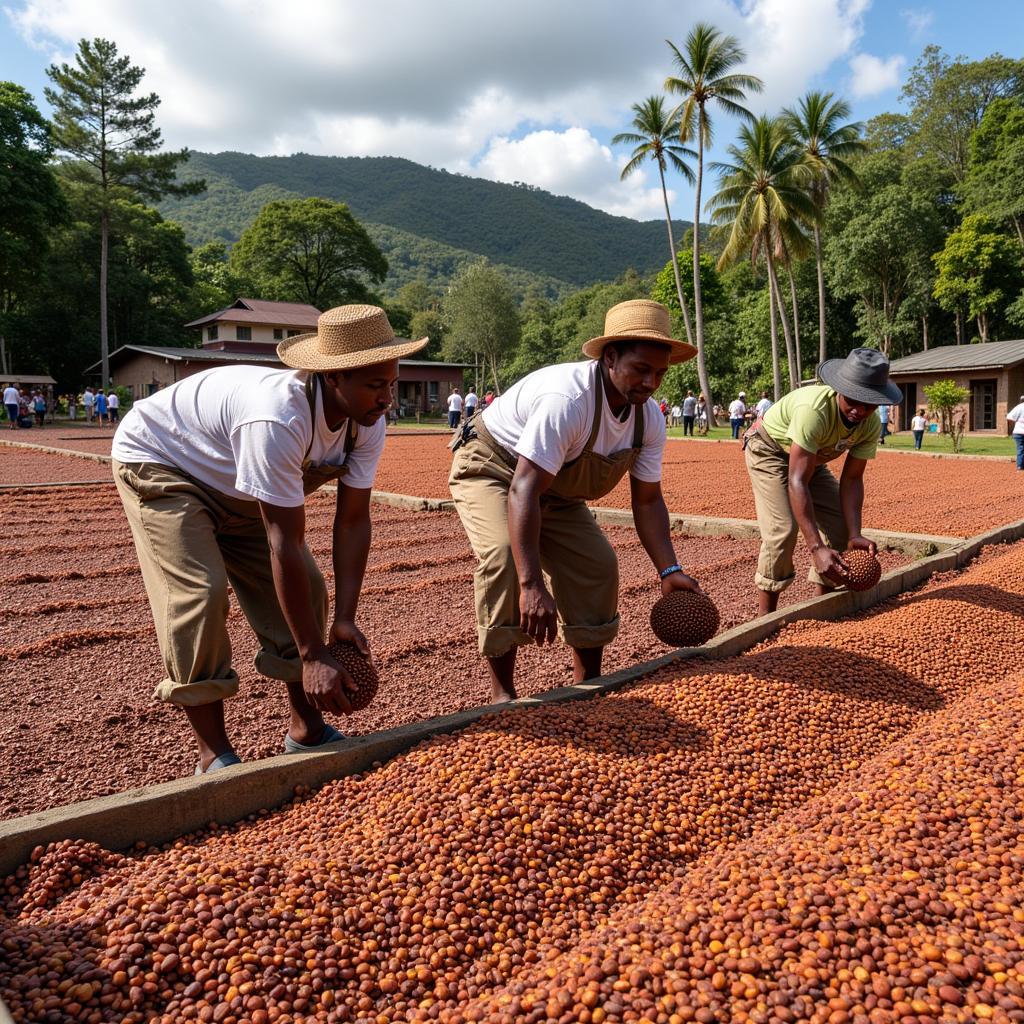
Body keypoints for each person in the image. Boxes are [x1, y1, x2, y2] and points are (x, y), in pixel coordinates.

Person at [111, 304, 428, 773]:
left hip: (237, 480)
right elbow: (285, 539)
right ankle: (213, 754)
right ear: (334, 378)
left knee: (311, 592)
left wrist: (342, 620)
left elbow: (353, 521)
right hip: (165, 466)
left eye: (392, 383)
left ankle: (307, 732)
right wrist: (312, 654)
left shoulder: (367, 423)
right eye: (375, 385)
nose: (387, 399)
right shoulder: (279, 419)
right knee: (199, 593)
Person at [449, 299, 704, 704]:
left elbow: (649, 500)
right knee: (503, 556)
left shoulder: (648, 418)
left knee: (597, 564)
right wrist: (531, 584)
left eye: (660, 373)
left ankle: (588, 684)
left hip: (555, 490)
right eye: (641, 370)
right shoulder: (568, 401)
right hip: (496, 467)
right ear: (611, 357)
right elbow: (523, 489)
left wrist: (668, 569)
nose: (651, 383)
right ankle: (503, 694)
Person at [742, 348, 902, 617]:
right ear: (840, 389)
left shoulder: (870, 424)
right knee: (783, 529)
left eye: (869, 404)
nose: (859, 410)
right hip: (769, 451)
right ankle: (763, 620)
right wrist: (816, 547)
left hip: (810, 461)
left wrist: (854, 534)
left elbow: (852, 479)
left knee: (840, 527)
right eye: (853, 400)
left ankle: (820, 611)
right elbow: (796, 480)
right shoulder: (814, 411)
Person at [1007, 395, 1024, 470]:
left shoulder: (1018, 407)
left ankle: (1019, 467)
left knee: (1020, 449)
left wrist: (1015, 422)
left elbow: (1009, 417)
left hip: (1018, 432)